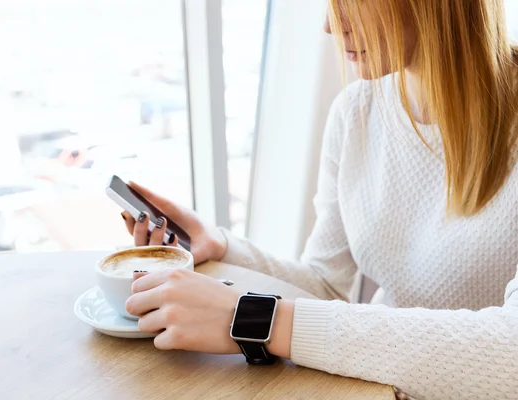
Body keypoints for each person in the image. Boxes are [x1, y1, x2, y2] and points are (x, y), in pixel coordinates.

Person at [121, 1, 518, 398]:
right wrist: (224, 246)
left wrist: (254, 319)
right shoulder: (357, 113)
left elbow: (511, 354)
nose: (331, 25)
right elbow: (326, 287)